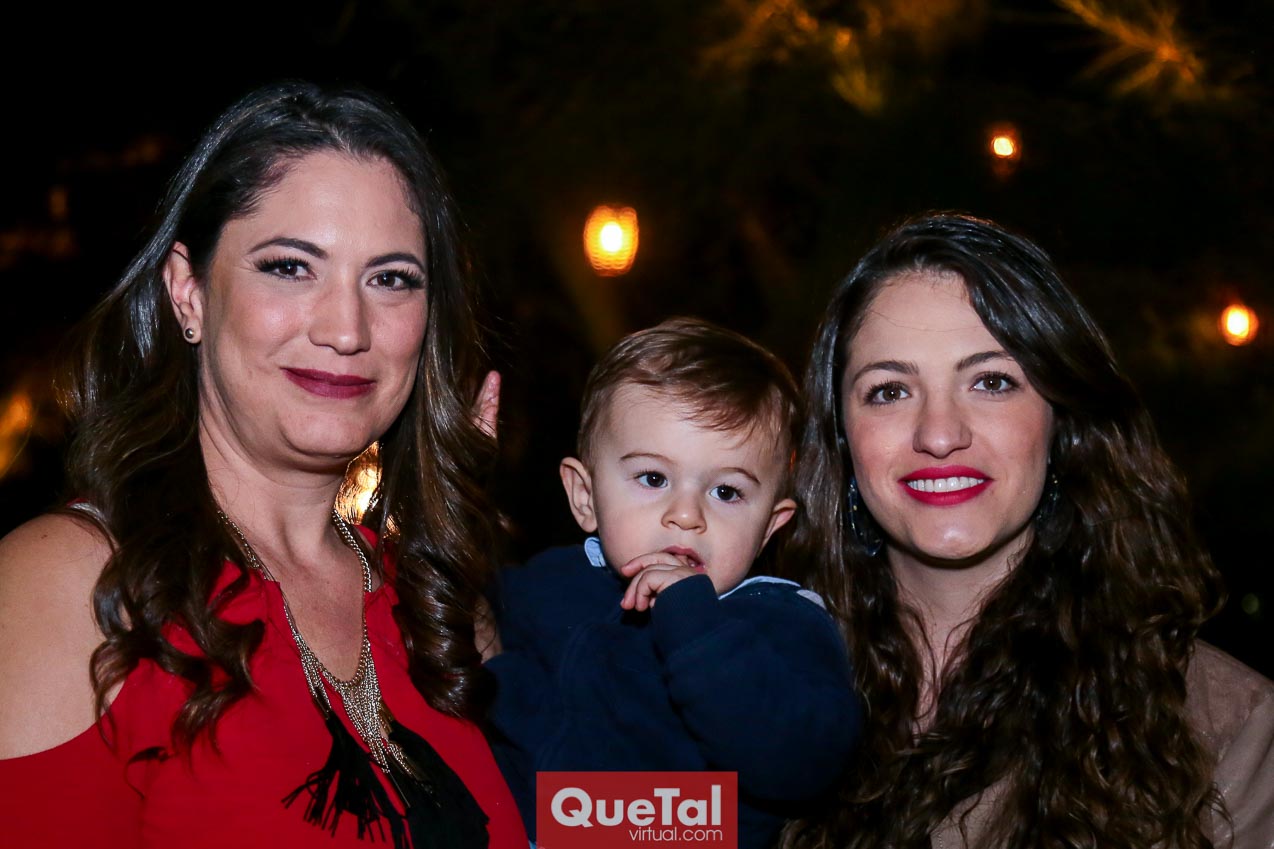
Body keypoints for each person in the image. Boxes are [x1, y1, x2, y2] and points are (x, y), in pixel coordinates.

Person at [0, 81, 526, 849]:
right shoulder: (70, 583)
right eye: (289, 267)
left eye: (390, 279)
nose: (347, 328)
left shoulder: (436, 606)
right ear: (188, 293)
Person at [780, 213, 1274, 849]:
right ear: (841, 436)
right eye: (890, 391)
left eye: (991, 382)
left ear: (1061, 421)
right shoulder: (746, 680)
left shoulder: (1223, 725)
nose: (939, 434)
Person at [484, 317, 861, 849]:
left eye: (727, 492)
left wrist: (694, 622)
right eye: (653, 478)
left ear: (769, 527)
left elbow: (803, 764)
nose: (686, 515)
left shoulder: (780, 621)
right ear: (585, 497)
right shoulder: (547, 585)